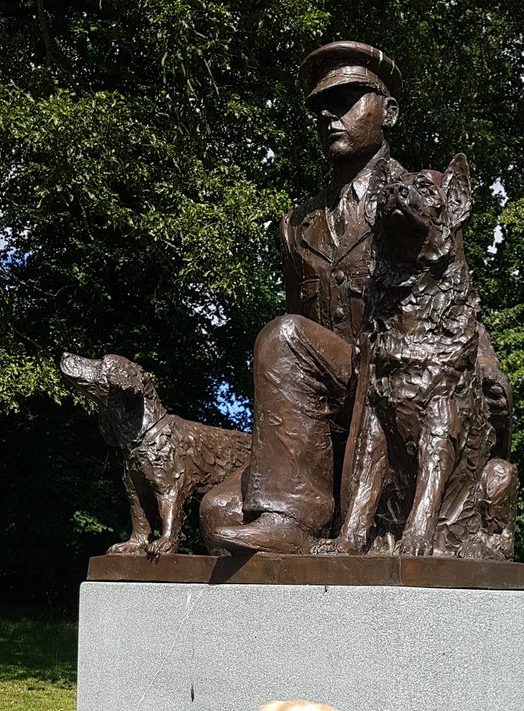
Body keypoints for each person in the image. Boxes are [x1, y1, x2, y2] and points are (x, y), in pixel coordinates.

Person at [206, 41, 407, 554]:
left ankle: (293, 520)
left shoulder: (417, 201)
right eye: (322, 105)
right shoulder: (296, 226)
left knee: (284, 335)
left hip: (396, 389)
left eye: (349, 99)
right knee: (216, 513)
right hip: (327, 411)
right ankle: (298, 509)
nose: (330, 115)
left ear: (389, 111)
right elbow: (300, 353)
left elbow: (455, 302)